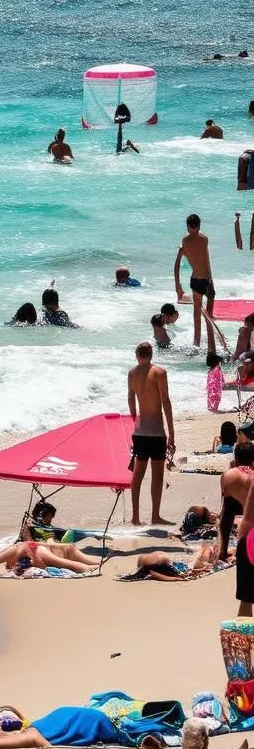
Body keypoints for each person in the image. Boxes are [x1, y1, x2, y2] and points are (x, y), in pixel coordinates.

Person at [128, 341, 174, 526]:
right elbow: (166, 402)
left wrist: (135, 421)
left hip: (139, 432)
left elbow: (131, 399)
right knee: (157, 476)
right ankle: (155, 515)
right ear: (152, 354)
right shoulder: (159, 372)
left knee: (137, 476)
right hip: (156, 432)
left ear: (137, 354)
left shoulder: (132, 373)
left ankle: (136, 517)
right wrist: (172, 433)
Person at [0, 706, 123, 749]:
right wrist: (48, 746)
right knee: (28, 738)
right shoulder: (109, 729)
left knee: (22, 733)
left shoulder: (106, 717)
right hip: (62, 724)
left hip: (61, 716)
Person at [174, 214, 215, 346]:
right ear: (199, 225)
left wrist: (178, 287)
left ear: (187, 226)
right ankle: (211, 342)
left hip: (195, 280)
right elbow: (206, 261)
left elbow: (177, 264)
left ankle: (196, 343)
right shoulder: (205, 239)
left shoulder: (184, 241)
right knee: (209, 314)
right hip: (207, 280)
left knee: (197, 314)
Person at [0, 539, 100, 576]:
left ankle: (100, 563)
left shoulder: (38, 552)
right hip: (35, 549)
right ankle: (97, 565)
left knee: (90, 564)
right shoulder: (13, 551)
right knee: (72, 565)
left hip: (54, 551)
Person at [218, 443, 254, 566]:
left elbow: (225, 512)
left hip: (240, 509)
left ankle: (223, 551)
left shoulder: (229, 475)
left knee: (228, 509)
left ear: (236, 458)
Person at [130, 545, 219, 582]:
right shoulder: (173, 569)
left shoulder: (145, 560)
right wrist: (175, 579)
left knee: (205, 550)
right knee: (205, 550)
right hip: (162, 566)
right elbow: (150, 573)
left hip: (155, 564)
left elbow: (149, 572)